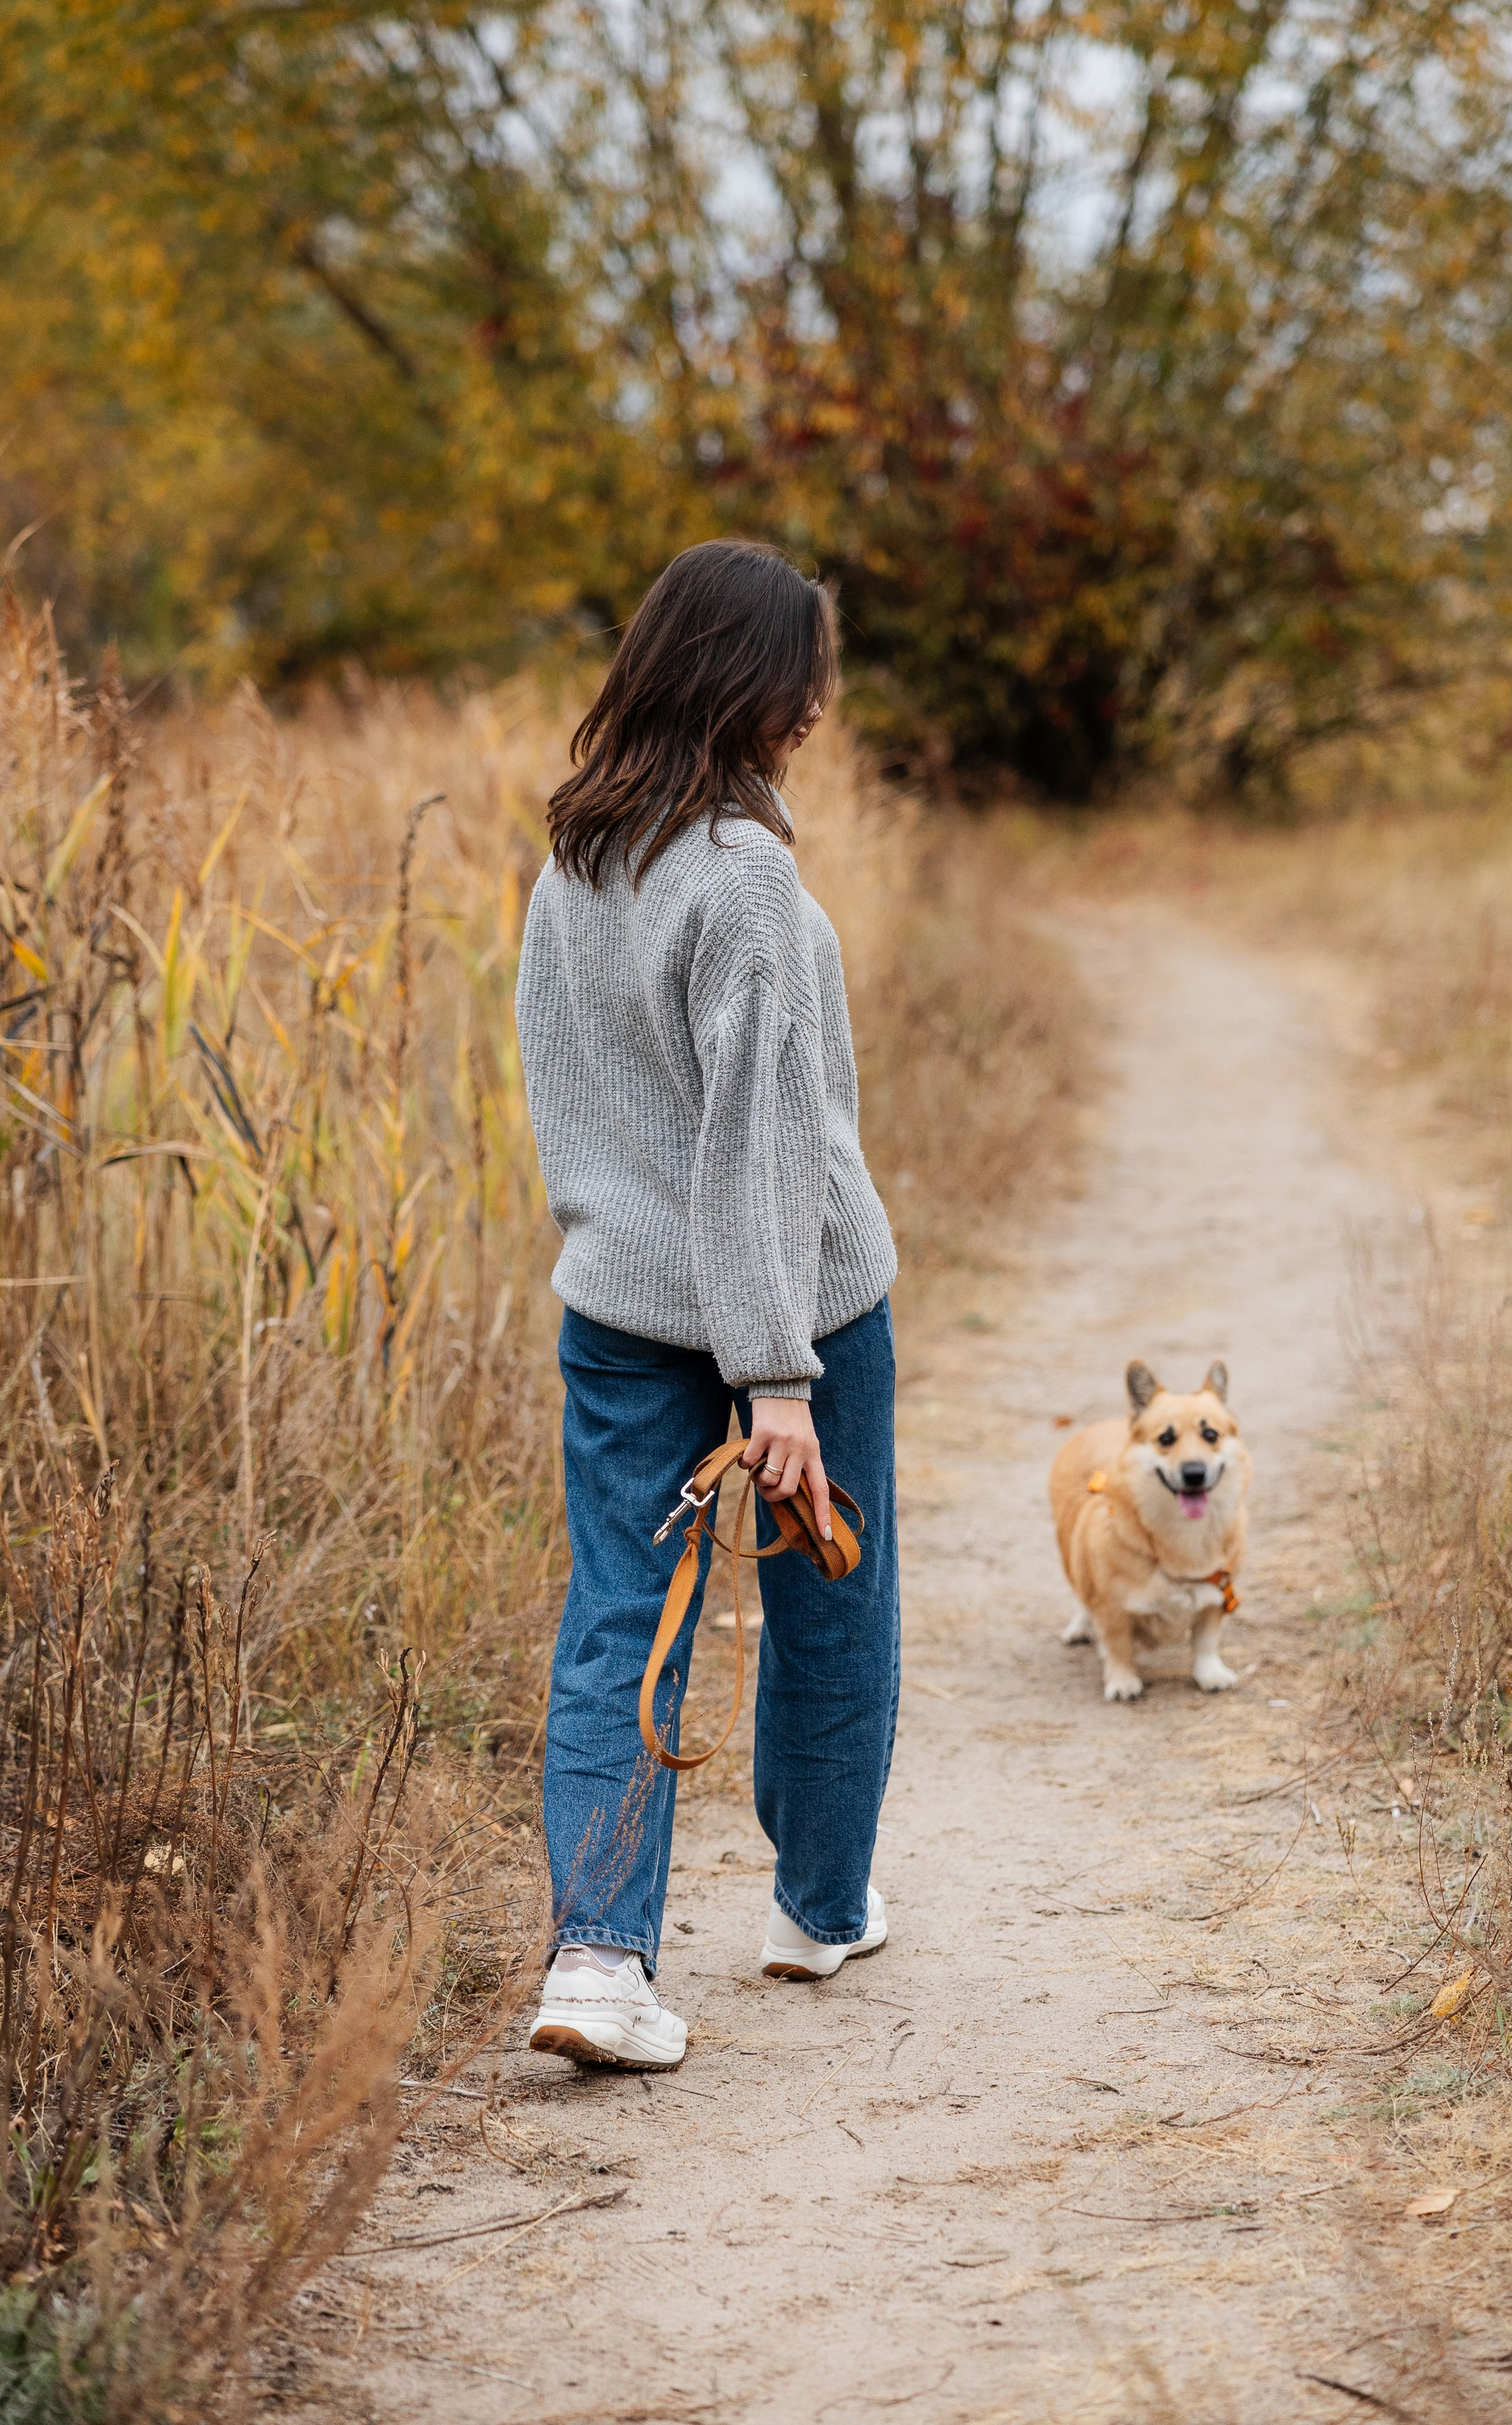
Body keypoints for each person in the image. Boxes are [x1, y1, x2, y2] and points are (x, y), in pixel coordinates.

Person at [513, 538, 901, 2068]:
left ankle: (595, 1965)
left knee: (621, 1613)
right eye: (804, 675)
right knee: (828, 1591)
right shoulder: (741, 880)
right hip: (790, 1309)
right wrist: (776, 1378)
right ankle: (814, 1906)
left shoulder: (579, 855)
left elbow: (576, 1098)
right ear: (748, 684)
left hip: (615, 1307)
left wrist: (630, 1251)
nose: (816, 706)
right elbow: (753, 1146)